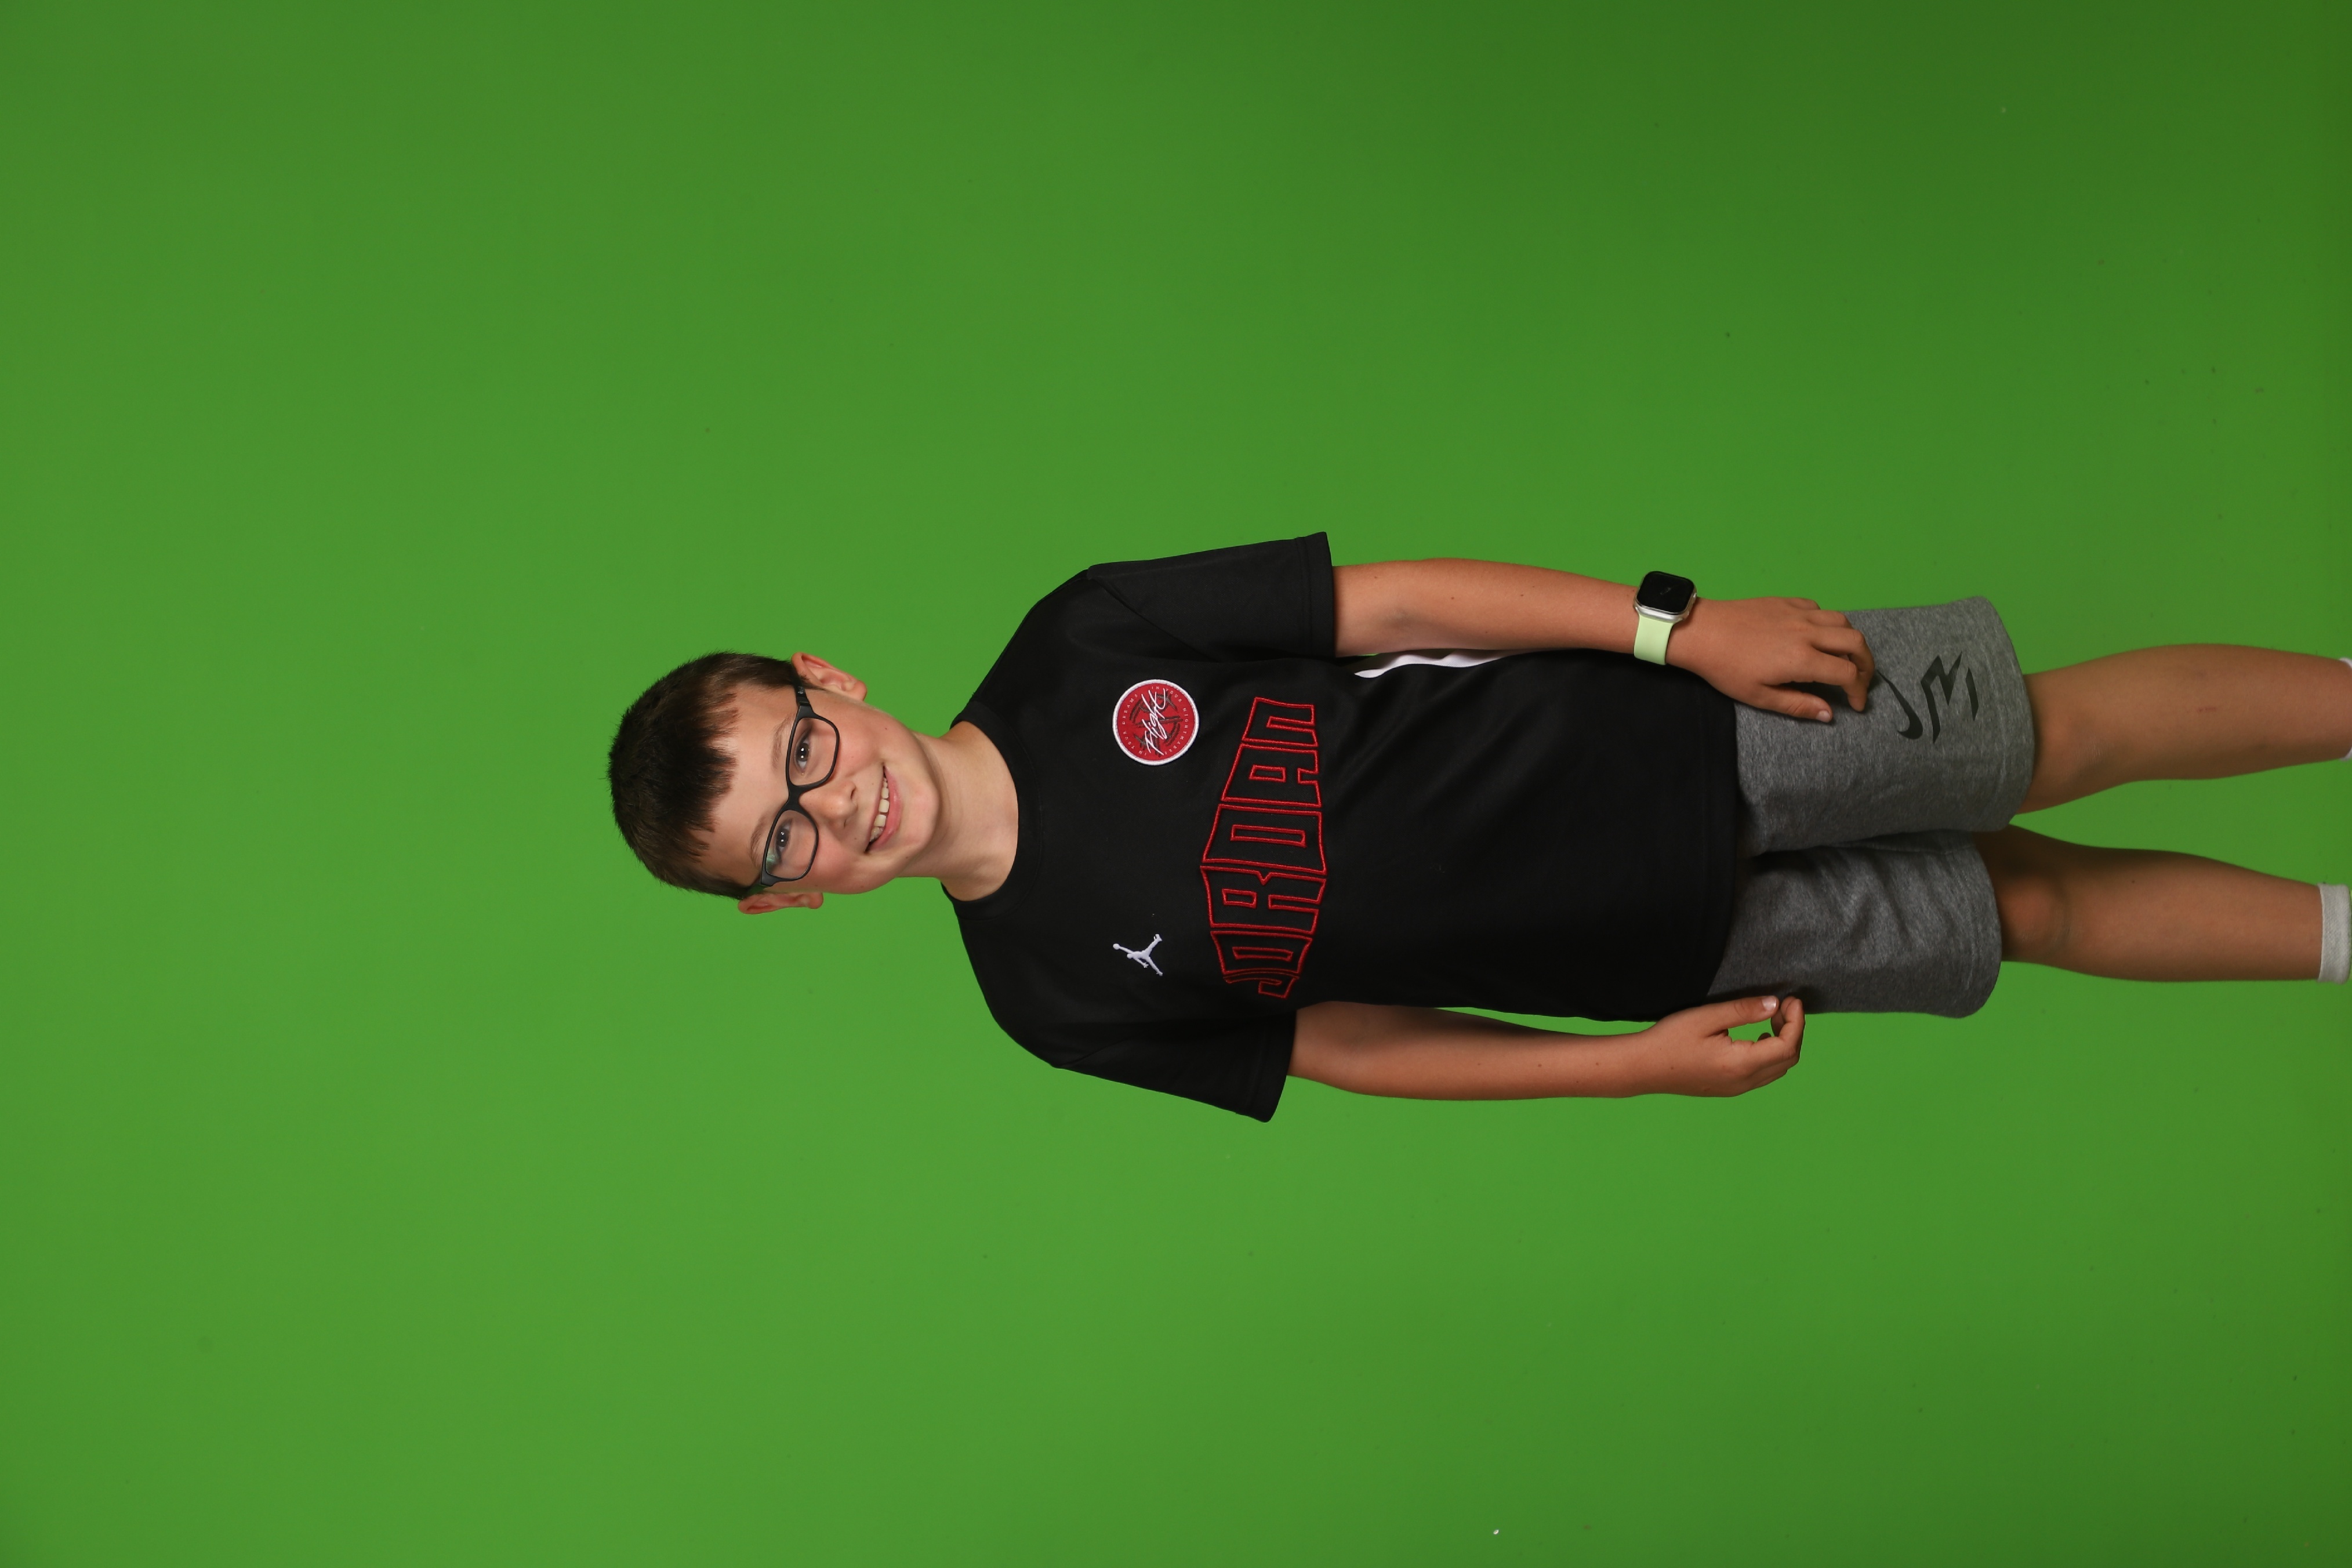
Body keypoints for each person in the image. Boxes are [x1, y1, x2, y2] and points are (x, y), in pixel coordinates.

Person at [606, 536, 2352, 1120]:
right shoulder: (1047, 997)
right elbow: (1353, 1044)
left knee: (2051, 738)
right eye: (783, 841)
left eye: (803, 749)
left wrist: (1677, 632)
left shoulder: (1088, 641)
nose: (837, 804)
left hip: (1681, 733)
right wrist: (1624, 1069)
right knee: (2025, 916)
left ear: (827, 680)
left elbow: (1390, 603)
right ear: (784, 903)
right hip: (1663, 945)